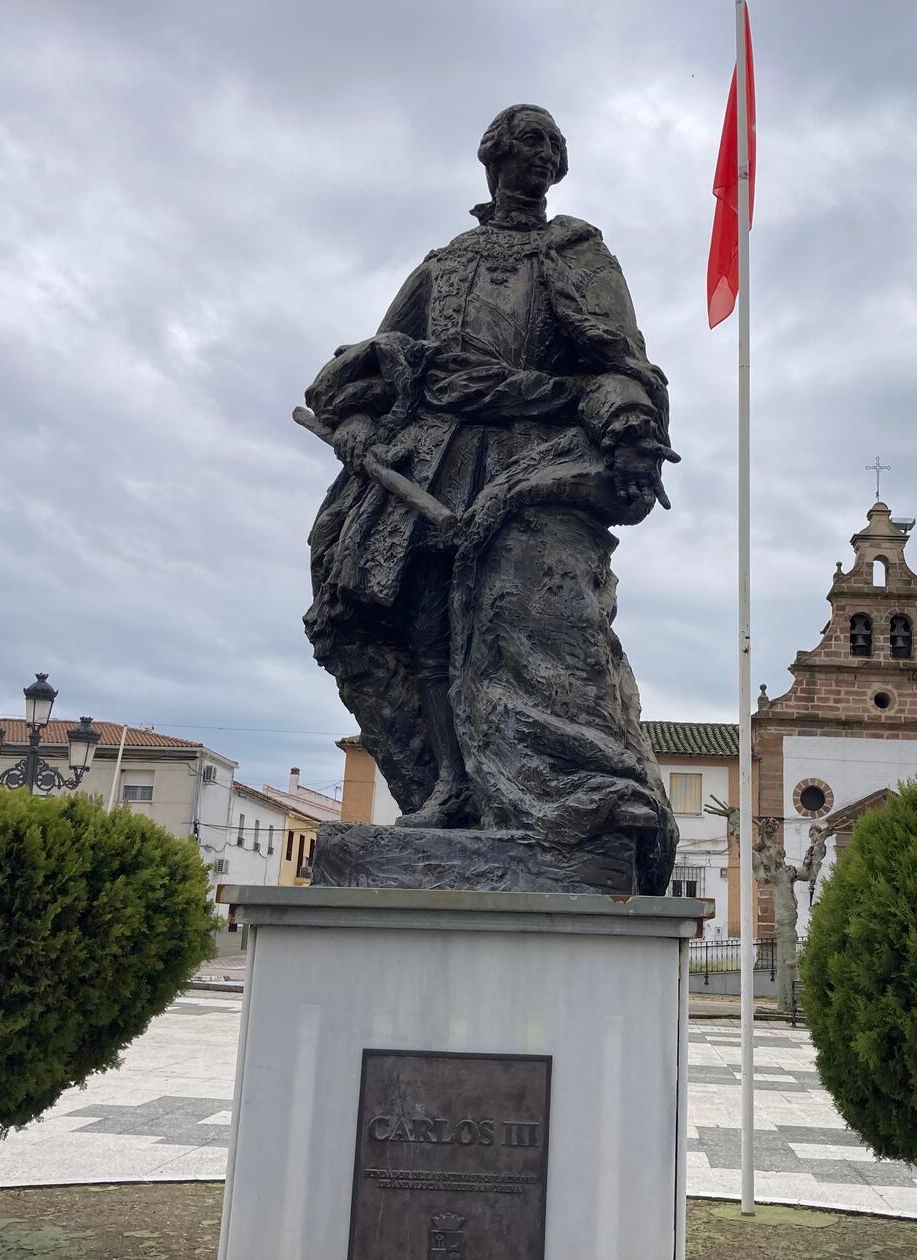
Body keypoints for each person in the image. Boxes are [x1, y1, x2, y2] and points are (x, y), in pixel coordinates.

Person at [302, 104, 679, 895]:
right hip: (436, 458)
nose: (541, 155)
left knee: (533, 621)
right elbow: (382, 358)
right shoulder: (445, 263)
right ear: (494, 157)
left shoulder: (577, 251)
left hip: (534, 457)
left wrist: (630, 423)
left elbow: (620, 361)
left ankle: (579, 800)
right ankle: (451, 790)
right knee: (427, 622)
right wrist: (361, 419)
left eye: (553, 144)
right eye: (527, 140)